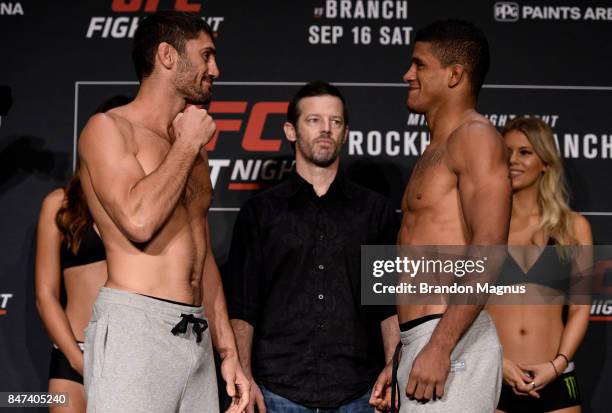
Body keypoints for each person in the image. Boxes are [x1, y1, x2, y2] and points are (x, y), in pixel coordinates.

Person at [77, 11, 248, 412]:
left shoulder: (193, 146)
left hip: (196, 331)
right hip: (136, 328)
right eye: (206, 56)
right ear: (168, 56)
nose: (215, 69)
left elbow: (201, 255)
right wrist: (186, 145)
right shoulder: (108, 129)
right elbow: (139, 221)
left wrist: (228, 351)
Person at [225, 81, 400, 412]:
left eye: (335, 122)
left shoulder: (374, 211)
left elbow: (388, 303)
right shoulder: (260, 213)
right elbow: (243, 307)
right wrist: (244, 377)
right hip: (278, 389)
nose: (326, 130)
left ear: (345, 132)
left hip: (360, 390)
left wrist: (394, 368)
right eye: (314, 120)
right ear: (291, 131)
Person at [370, 19, 511, 412]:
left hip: (450, 342)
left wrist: (440, 346)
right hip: (423, 340)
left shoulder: (475, 137)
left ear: (454, 75)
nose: (407, 75)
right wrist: (402, 353)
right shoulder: (437, 148)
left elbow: (490, 248)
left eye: (419, 65)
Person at [487, 117, 592, 413]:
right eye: (506, 151)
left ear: (545, 162)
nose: (513, 160)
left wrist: (557, 365)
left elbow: (581, 309)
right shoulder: (485, 227)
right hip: (496, 375)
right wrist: (497, 361)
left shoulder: (573, 227)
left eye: (525, 152)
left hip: (555, 379)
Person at [35, 96, 130, 413]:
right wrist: (79, 361)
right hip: (72, 355)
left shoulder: (146, 208)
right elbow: (46, 295)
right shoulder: (59, 204)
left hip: (131, 355)